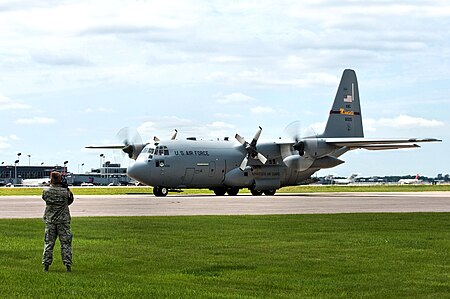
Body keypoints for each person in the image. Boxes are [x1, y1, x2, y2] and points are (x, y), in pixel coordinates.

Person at [42, 171, 74, 272]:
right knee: (66, 243)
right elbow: (70, 200)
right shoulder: (65, 192)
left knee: (49, 243)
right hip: (63, 221)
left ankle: (46, 265)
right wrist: (66, 187)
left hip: (50, 220)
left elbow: (44, 199)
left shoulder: (46, 192)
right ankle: (67, 265)